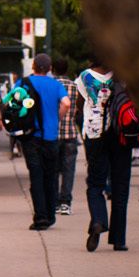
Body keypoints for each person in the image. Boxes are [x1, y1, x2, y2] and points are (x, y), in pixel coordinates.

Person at [81, 65, 139, 251]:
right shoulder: (126, 76)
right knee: (120, 188)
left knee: (95, 184)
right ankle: (118, 240)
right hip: (122, 136)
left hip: (95, 136)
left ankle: (98, 220)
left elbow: (78, 108)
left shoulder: (84, 77)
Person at [21, 54, 68, 230]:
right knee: (51, 175)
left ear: (33, 66)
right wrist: (56, 118)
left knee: (36, 177)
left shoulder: (24, 83)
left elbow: (10, 102)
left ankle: (40, 217)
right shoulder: (56, 85)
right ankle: (50, 214)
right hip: (51, 137)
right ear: (49, 68)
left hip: (31, 137)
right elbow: (67, 103)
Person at [55, 78, 80, 215]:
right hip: (70, 133)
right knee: (68, 170)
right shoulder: (75, 87)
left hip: (54, 134)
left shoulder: (52, 85)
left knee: (53, 170)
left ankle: (54, 202)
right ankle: (65, 203)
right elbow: (79, 108)